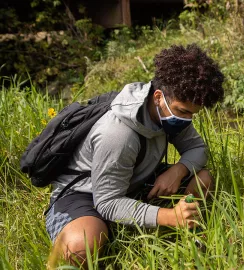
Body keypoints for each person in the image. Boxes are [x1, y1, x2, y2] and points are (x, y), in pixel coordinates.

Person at [46, 44, 224, 267]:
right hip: (87, 195)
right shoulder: (118, 134)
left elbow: (198, 149)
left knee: (202, 179)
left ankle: (185, 233)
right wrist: (169, 217)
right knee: (81, 246)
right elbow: (107, 202)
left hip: (133, 182)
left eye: (192, 114)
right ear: (158, 96)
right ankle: (164, 223)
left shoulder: (171, 111)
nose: (187, 119)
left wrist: (178, 171)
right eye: (183, 111)